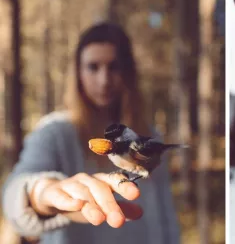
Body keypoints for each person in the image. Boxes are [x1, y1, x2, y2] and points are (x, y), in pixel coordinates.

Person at [2, 22, 181, 244]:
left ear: (128, 72)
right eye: (93, 67)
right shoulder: (54, 132)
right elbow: (14, 192)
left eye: (113, 67)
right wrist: (43, 192)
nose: (104, 80)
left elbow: (164, 217)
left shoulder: (148, 135)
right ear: (77, 73)